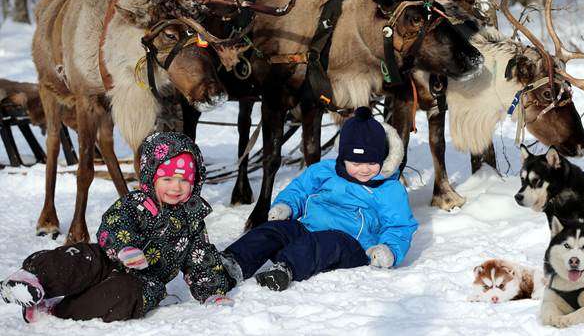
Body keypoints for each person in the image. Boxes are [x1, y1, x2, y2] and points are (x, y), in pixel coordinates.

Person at [0, 132, 233, 322]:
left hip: (144, 280)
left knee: (124, 297)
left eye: (184, 180)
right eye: (168, 179)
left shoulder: (192, 220)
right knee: (81, 258)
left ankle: (55, 310)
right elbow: (113, 224)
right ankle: (32, 277)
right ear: (151, 177)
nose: (176, 187)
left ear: (195, 182)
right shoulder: (136, 203)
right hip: (107, 259)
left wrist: (212, 291)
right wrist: (124, 248)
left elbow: (201, 258)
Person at [221, 107, 418, 291]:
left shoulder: (389, 189)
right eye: (356, 162)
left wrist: (389, 249)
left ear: (382, 158)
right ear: (343, 157)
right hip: (308, 228)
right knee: (273, 230)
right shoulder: (325, 171)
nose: (364, 169)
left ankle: (285, 270)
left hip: (351, 244)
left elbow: (399, 225)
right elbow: (300, 189)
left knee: (324, 242)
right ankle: (231, 263)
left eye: (372, 162)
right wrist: (287, 206)